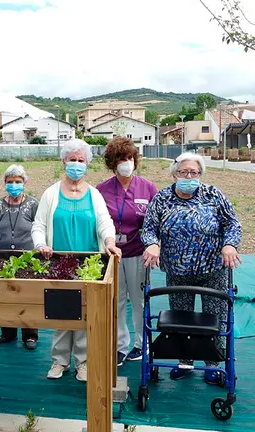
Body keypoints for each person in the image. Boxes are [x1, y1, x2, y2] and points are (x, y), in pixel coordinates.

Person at [141, 152, 241, 385]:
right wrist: (153, 244)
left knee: (214, 316)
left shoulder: (213, 195)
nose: (188, 176)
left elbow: (232, 223)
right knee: (181, 318)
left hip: (212, 269)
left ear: (200, 174)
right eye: (183, 172)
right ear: (175, 174)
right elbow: (149, 228)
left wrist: (229, 244)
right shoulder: (162, 198)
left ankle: (213, 363)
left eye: (193, 172)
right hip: (177, 270)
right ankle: (185, 361)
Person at [32, 138, 121, 382]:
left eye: (81, 161)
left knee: (85, 314)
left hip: (89, 263)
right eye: (72, 160)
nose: (76, 164)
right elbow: (39, 225)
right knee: (61, 314)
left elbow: (105, 223)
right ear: (64, 161)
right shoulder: (51, 193)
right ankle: (59, 361)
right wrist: (41, 244)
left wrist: (110, 242)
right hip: (59, 262)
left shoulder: (94, 195)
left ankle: (83, 362)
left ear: (87, 164)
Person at [97, 137, 158, 368]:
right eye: (122, 158)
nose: (127, 162)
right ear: (113, 162)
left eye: (130, 158)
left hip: (137, 252)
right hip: (112, 254)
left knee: (139, 299)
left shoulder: (147, 187)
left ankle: (143, 344)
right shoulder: (102, 189)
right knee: (117, 300)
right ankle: (120, 346)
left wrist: (155, 244)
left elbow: (155, 220)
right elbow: (99, 222)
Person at [0, 164, 40, 350]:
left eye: (18, 181)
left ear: (24, 182)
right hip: (2, 258)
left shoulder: (33, 204)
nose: (14, 185)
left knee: (27, 296)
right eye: (10, 182)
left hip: (27, 258)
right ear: (5, 183)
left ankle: (30, 334)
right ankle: (7, 333)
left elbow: (39, 229)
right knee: (6, 296)